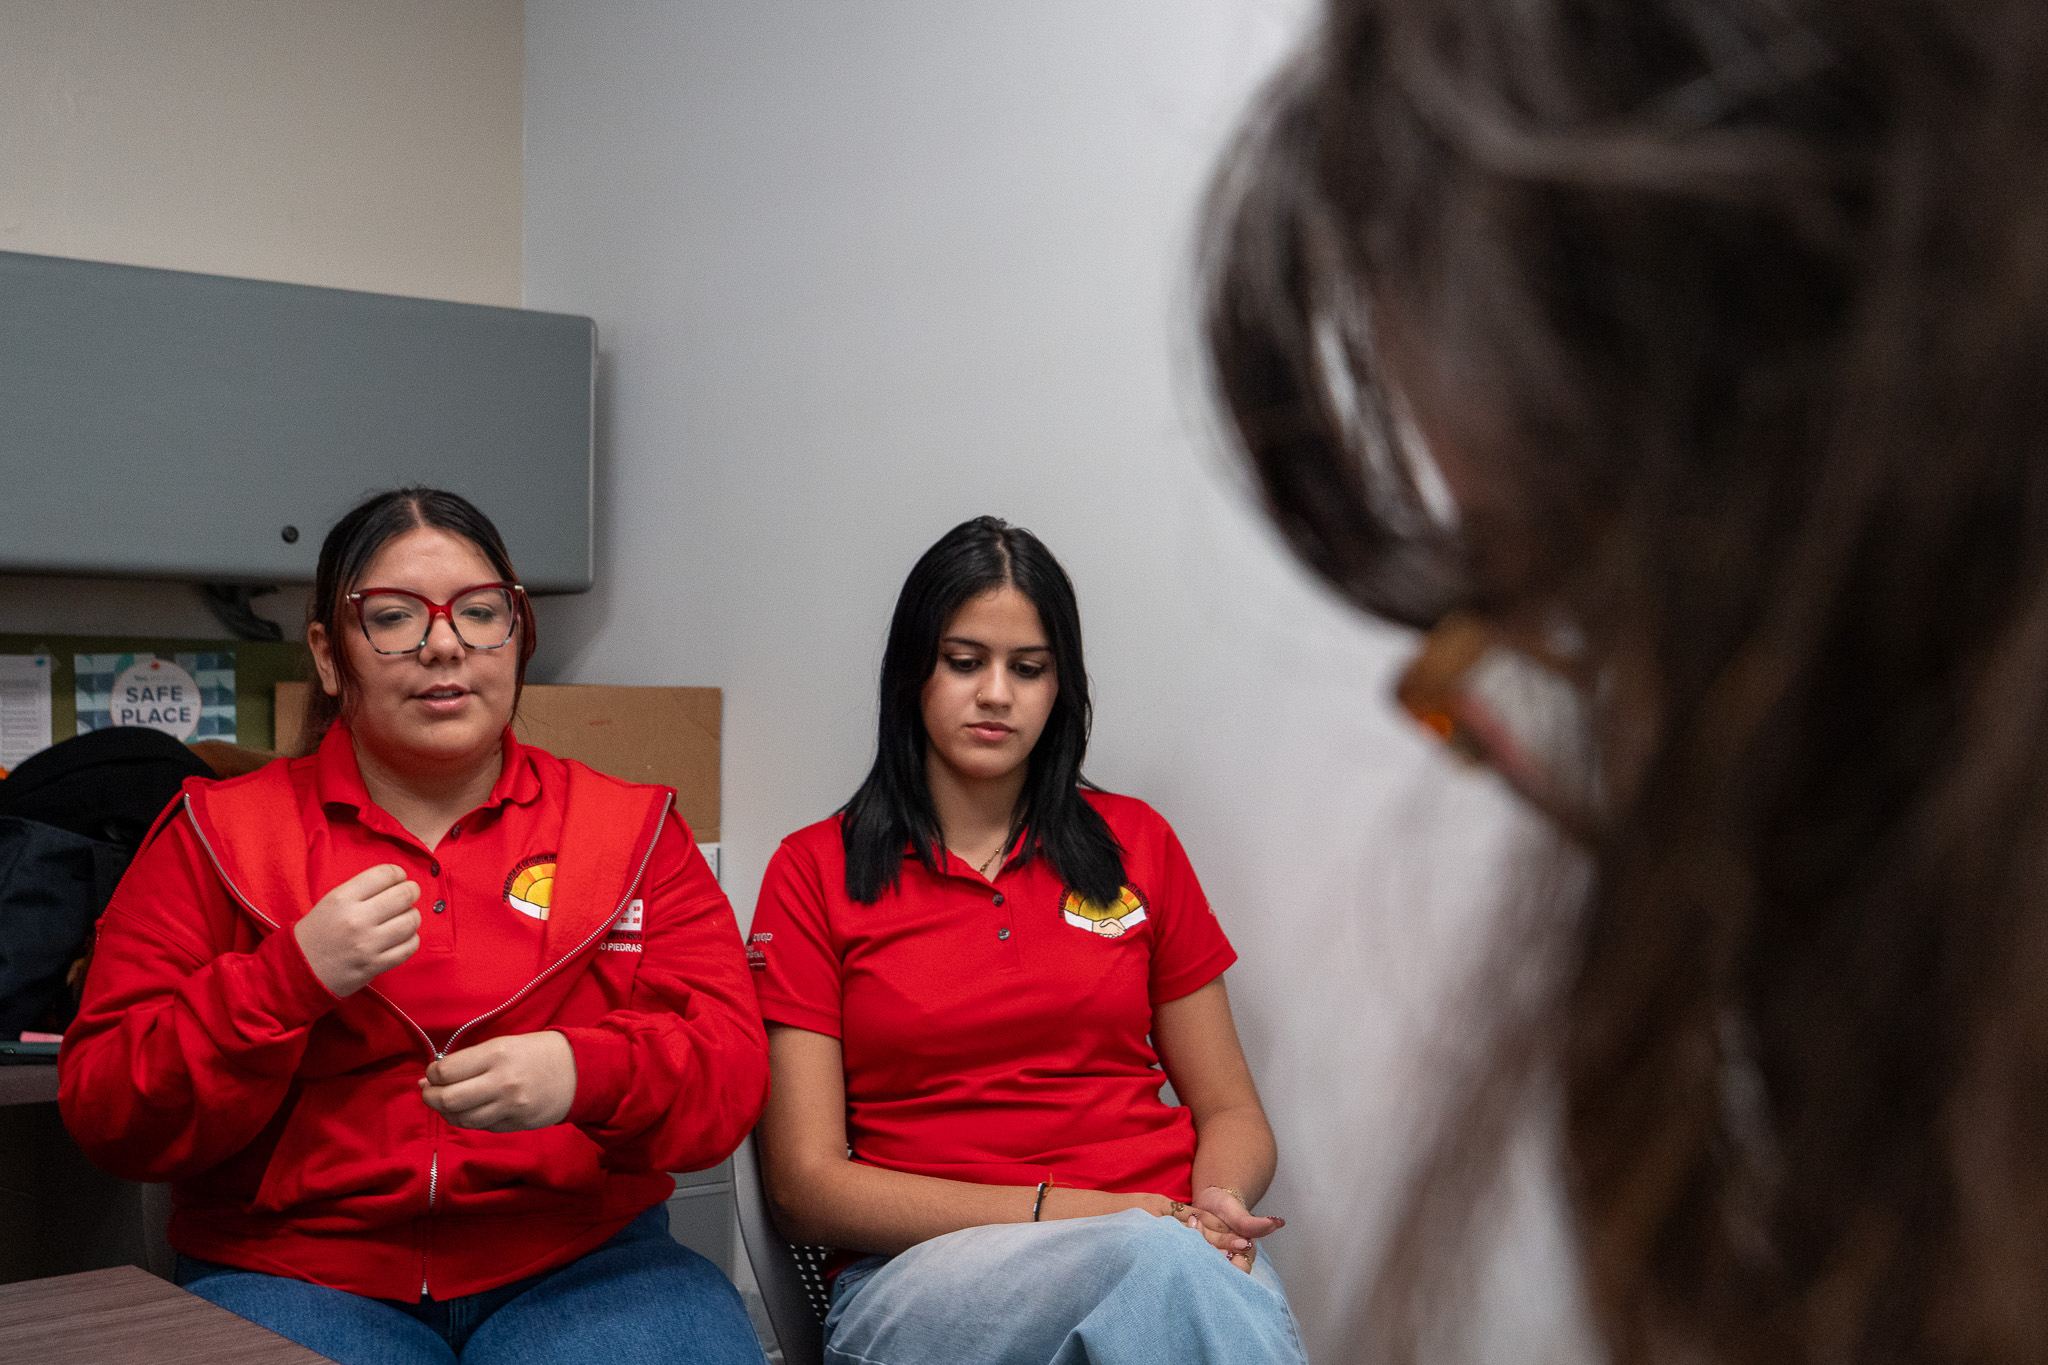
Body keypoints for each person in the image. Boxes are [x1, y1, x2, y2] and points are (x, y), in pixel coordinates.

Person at [1204, 1, 2048, 1361]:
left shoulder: (1135, 858)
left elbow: (1227, 1117)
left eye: (1606, 625)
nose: (1625, 773)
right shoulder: (830, 875)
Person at [59, 488, 769, 1365]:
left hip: (586, 1266)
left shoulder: (629, 831)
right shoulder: (218, 834)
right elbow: (107, 1109)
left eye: (480, 613)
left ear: (519, 638)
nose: (444, 644)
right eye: (393, 617)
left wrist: (586, 1071)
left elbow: (729, 1076)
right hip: (294, 1275)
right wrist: (285, 980)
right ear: (329, 652)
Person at [749, 515, 1308, 1365]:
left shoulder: (1138, 843)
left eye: (1029, 668)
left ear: (1062, 687)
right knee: (1168, 1277)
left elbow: (1231, 1108)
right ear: (912, 675)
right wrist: (1088, 1216)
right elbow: (805, 1185)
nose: (997, 694)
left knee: (1175, 1284)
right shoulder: (813, 869)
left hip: (1169, 1247)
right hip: (926, 1272)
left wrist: (1217, 1204)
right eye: (965, 661)